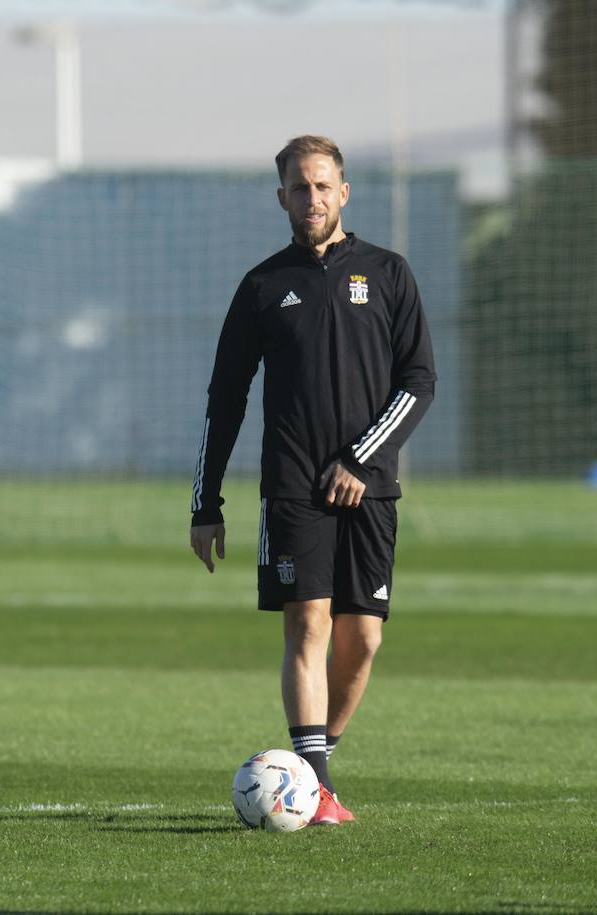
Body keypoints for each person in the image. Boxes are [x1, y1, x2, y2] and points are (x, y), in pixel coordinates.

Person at [190, 135, 436, 825]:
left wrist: (361, 459)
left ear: (344, 193)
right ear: (282, 198)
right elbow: (225, 398)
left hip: (370, 488)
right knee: (309, 625)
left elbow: (419, 382)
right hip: (293, 486)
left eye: (323, 186)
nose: (313, 198)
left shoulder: (388, 273)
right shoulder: (262, 286)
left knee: (363, 642)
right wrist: (206, 502)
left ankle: (310, 764)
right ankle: (318, 789)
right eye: (300, 187)